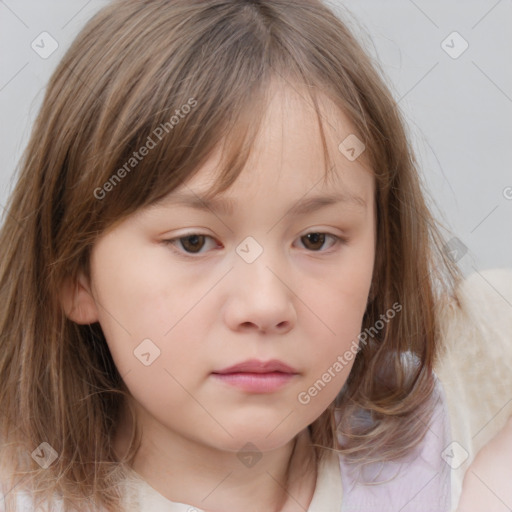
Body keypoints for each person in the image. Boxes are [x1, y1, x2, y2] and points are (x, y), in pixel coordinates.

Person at [0, 0, 464, 511]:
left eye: (316, 240)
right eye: (194, 242)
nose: (265, 306)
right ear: (74, 274)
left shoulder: (439, 439)